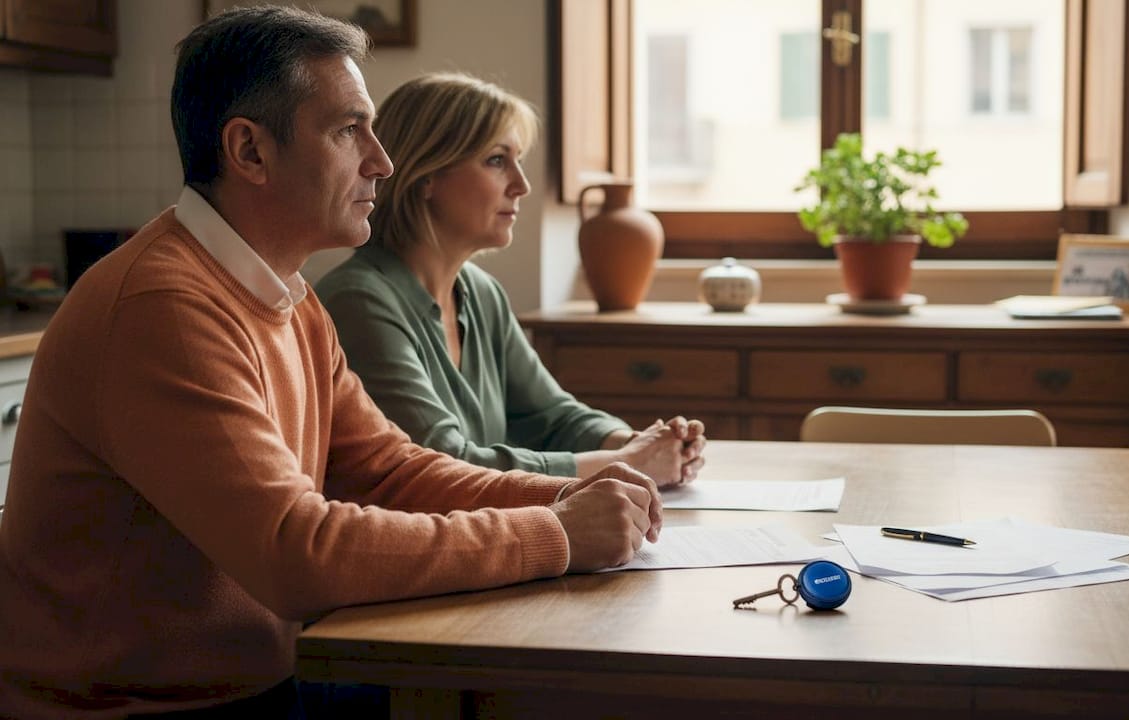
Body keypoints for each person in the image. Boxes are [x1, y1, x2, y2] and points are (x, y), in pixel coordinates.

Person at [0, 7, 661, 718]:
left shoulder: (288, 295)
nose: (382, 161)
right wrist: (556, 534)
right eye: (349, 130)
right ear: (249, 151)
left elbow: (389, 471)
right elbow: (295, 552)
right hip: (136, 709)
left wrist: (567, 498)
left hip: (258, 682)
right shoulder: (163, 307)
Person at [315, 72, 706, 487]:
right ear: (426, 175)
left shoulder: (481, 292)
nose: (522, 185)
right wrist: (625, 463)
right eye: (497, 161)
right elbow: (443, 463)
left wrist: (640, 443)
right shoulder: (358, 302)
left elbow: (553, 416)